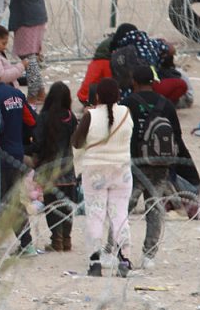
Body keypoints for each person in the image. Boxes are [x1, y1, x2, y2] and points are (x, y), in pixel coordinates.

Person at [122, 65, 185, 269]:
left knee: (124, 209)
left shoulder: (128, 103)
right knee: (154, 208)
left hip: (136, 163)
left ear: (134, 82)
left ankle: (115, 249)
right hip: (160, 164)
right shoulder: (165, 104)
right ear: (153, 82)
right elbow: (176, 134)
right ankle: (149, 255)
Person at [71, 77, 134, 277]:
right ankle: (124, 259)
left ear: (97, 96)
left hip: (95, 171)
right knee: (120, 214)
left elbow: (77, 142)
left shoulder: (91, 116)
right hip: (121, 170)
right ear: (118, 96)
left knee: (95, 215)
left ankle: (95, 262)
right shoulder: (126, 113)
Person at [0, 64, 37, 254]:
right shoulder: (16, 94)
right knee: (13, 199)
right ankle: (27, 244)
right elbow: (32, 121)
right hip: (17, 154)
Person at [30, 81, 78, 254]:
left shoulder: (44, 117)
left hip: (49, 169)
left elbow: (38, 142)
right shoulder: (70, 116)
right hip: (67, 168)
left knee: (52, 206)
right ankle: (67, 239)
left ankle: (56, 239)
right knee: (67, 205)